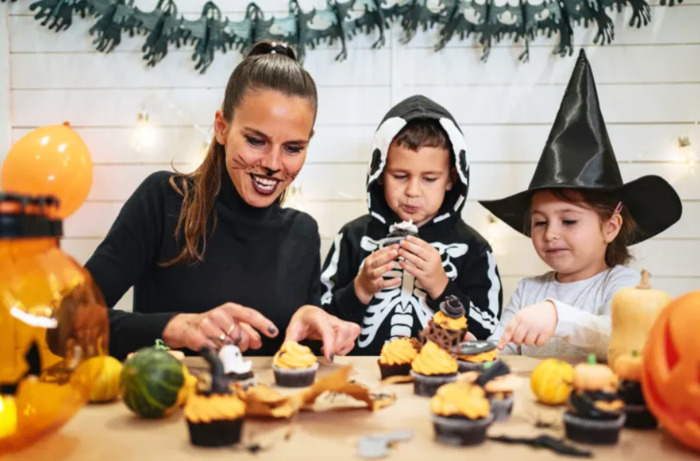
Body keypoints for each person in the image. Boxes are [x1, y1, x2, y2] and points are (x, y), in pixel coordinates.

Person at [85, 41, 360, 361]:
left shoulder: (303, 232)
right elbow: (66, 325)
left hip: (271, 410)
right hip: (176, 408)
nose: (273, 162)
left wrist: (313, 335)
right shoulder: (163, 201)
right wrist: (176, 328)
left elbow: (290, 357)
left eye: (293, 148)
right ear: (221, 127)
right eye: (256, 140)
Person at [481, 50, 682, 359]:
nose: (550, 234)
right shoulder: (529, 291)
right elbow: (500, 350)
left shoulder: (624, 285)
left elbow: (621, 340)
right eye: (540, 222)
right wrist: (468, 347)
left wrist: (558, 317)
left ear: (610, 227)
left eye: (569, 221)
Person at [320, 95, 503, 355]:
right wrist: (359, 288)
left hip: (441, 379)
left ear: (451, 178)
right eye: (400, 175)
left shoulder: (474, 248)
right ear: (380, 173)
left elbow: (489, 331)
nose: (413, 191)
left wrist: (442, 287)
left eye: (429, 178)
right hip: (361, 376)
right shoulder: (352, 237)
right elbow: (319, 321)